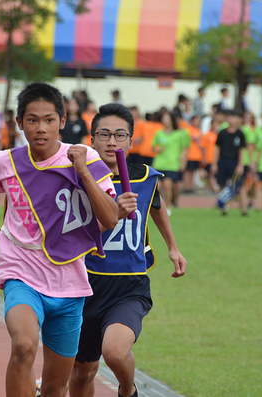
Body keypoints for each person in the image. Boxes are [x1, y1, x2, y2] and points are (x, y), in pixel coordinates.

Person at [0, 82, 118, 397]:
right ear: (19, 123)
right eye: (32, 120)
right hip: (21, 273)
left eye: (48, 120)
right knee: (24, 346)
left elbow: (110, 219)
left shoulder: (87, 159)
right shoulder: (6, 162)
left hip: (70, 283)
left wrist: (83, 172)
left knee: (55, 389)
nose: (40, 128)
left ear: (62, 120)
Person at [69, 103, 187, 397]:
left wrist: (173, 248)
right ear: (91, 139)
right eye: (104, 134)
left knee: (116, 352)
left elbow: (155, 207)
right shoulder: (79, 177)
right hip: (85, 284)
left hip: (129, 284)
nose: (112, 142)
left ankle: (127, 389)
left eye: (120, 135)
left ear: (131, 141)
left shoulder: (145, 176)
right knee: (83, 371)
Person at [152, 112, 189, 215]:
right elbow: (153, 147)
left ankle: (168, 206)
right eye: (163, 119)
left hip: (172, 164)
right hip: (159, 163)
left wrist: (183, 162)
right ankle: (160, 204)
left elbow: (184, 148)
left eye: (167, 119)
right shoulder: (159, 133)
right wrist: (158, 149)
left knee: (168, 185)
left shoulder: (179, 134)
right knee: (158, 187)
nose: (165, 121)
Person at [212, 110, 247, 215]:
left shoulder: (240, 134)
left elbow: (242, 150)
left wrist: (240, 165)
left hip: (235, 161)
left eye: (233, 117)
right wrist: (214, 163)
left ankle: (243, 209)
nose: (231, 120)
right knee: (222, 185)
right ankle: (223, 208)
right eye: (229, 118)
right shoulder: (222, 133)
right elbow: (217, 149)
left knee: (239, 186)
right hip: (223, 161)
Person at [182, 114, 203, 193]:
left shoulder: (198, 130)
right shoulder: (188, 129)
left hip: (197, 155)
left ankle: (191, 187)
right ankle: (186, 187)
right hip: (190, 155)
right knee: (187, 172)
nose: (198, 123)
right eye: (197, 121)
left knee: (193, 172)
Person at [200, 119, 218, 193]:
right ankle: (211, 188)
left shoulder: (218, 135)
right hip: (209, 158)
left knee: (214, 174)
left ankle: (213, 187)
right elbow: (203, 147)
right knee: (210, 174)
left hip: (215, 158)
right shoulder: (207, 135)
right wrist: (204, 158)